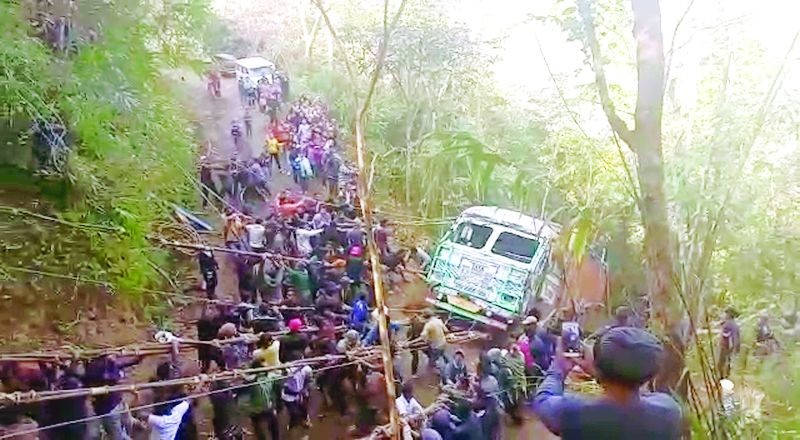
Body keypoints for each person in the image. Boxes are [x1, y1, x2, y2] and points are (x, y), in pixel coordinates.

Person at [533, 327, 683, 440]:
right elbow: (634, 397)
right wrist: (602, 373)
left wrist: (558, 367)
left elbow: (543, 399)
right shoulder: (669, 413)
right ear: (652, 372)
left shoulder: (573, 414)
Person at [84, 354, 143, 440]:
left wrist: (138, 357)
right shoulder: (97, 368)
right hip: (108, 409)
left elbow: (125, 364)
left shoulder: (108, 364)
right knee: (116, 434)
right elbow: (107, 378)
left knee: (125, 427)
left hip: (117, 403)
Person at [242, 364, 282, 440]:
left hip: (266, 407)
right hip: (256, 410)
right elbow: (244, 378)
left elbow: (282, 374)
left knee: (274, 429)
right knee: (260, 432)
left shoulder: (271, 376)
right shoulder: (253, 379)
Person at [282, 358, 313, 431]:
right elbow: (283, 378)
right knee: (293, 412)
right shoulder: (288, 369)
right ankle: (293, 423)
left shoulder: (307, 369)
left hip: (301, 393)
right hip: (289, 395)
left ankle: (304, 420)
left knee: (303, 408)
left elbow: (309, 380)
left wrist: (305, 389)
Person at [718, 307, 741, 378]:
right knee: (727, 362)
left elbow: (732, 336)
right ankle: (726, 377)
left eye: (726, 314)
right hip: (729, 346)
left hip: (726, 346)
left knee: (722, 363)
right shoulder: (733, 324)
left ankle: (722, 378)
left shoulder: (729, 324)